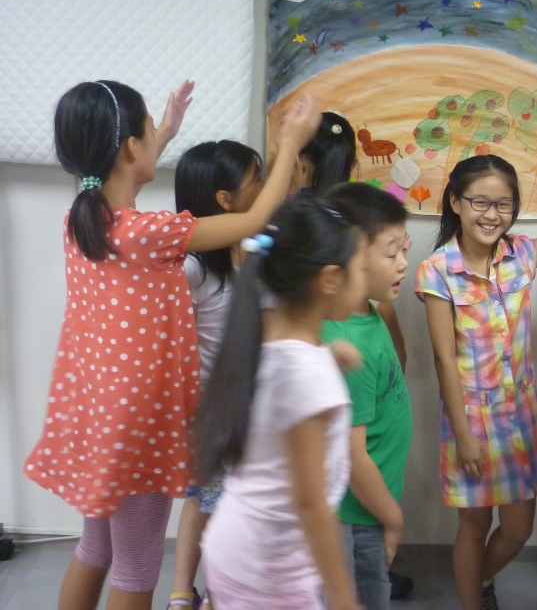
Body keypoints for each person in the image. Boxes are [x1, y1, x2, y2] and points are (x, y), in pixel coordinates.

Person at [22, 80, 319, 610]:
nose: (155, 142)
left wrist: (166, 127)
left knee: (95, 548)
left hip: (99, 415)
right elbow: (252, 221)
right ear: (130, 148)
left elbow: (121, 166)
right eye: (149, 134)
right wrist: (291, 144)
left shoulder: (82, 223)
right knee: (136, 567)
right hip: (140, 425)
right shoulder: (148, 233)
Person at [415, 154, 537, 610]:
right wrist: (464, 435)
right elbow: (444, 360)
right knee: (473, 526)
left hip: (520, 414)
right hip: (469, 417)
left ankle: (479, 579)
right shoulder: (437, 270)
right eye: (480, 202)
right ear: (455, 202)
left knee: (518, 529)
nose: (492, 215)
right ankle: (474, 599)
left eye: (503, 204)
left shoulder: (522, 253)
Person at [194, 194, 368, 610]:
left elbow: (281, 398)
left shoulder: (264, 341)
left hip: (234, 548)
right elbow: (310, 504)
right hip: (270, 573)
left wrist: (327, 363)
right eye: (361, 268)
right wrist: (345, 600)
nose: (364, 279)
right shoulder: (306, 374)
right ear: (330, 279)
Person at [168, 140, 267, 610]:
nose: (266, 189)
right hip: (213, 415)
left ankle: (213, 593)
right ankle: (184, 594)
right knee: (210, 504)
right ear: (226, 201)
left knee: (218, 504)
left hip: (249, 410)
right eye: (257, 181)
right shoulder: (193, 269)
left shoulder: (254, 253)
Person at [321, 183, 413, 610]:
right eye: (392, 253)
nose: (404, 263)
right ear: (351, 258)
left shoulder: (367, 313)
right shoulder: (346, 342)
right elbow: (352, 454)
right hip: (356, 515)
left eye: (403, 250)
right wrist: (393, 519)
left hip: (367, 507)